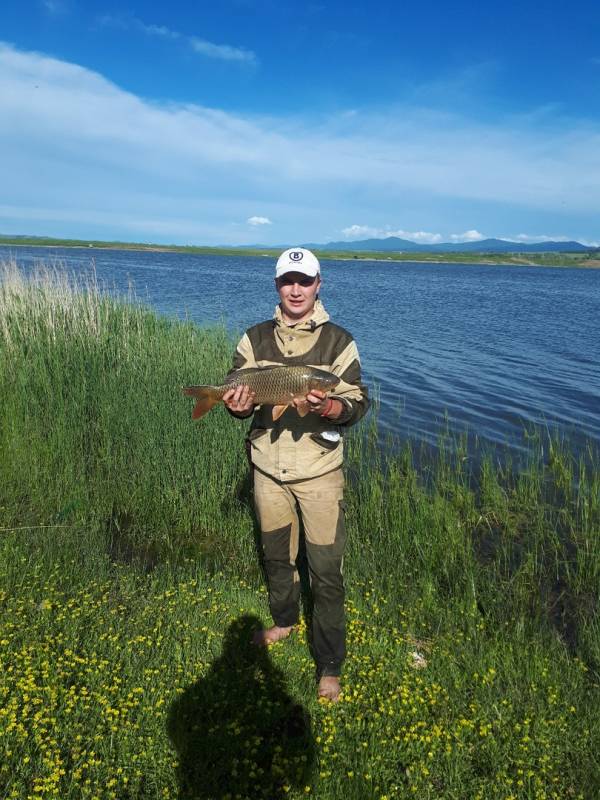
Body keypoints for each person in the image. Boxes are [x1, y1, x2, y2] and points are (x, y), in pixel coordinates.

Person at [222, 247, 369, 702]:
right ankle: (285, 621)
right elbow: (237, 393)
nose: (296, 289)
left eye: (304, 281)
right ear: (277, 285)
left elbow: (358, 402)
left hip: (320, 474)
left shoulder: (339, 342)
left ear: (318, 284)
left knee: (325, 571)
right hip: (267, 469)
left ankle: (329, 664)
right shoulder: (253, 338)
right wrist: (235, 404)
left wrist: (329, 406)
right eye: (288, 280)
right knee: (276, 557)